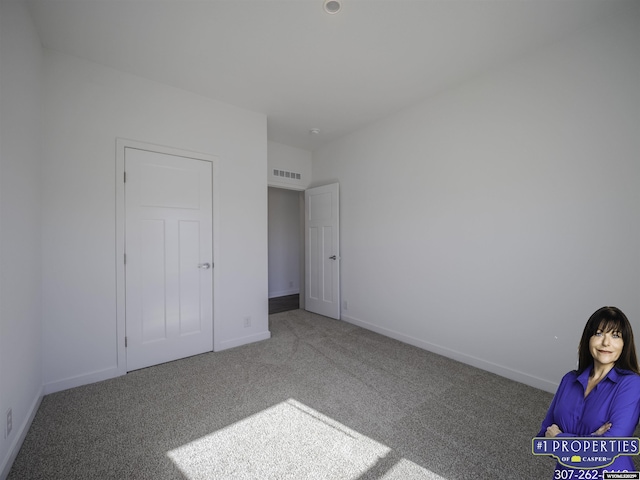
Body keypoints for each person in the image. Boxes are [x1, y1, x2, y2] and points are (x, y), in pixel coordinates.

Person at [537, 306, 640, 478]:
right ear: (588, 339)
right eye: (599, 333)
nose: (606, 343)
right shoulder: (569, 380)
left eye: (615, 335)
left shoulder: (632, 383)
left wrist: (560, 438)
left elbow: (609, 448)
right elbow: (542, 440)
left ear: (625, 344)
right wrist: (592, 438)